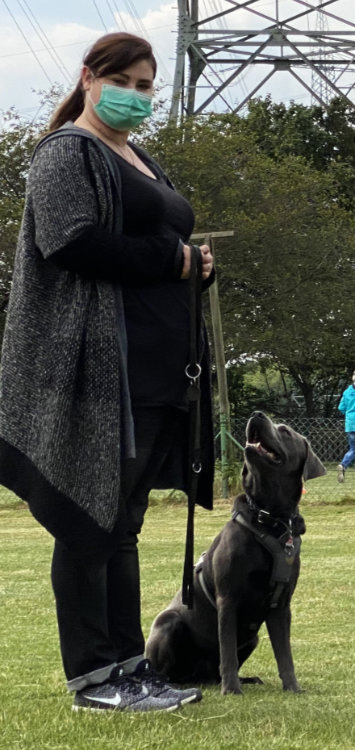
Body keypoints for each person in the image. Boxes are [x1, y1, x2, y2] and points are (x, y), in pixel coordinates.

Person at [0, 32, 215, 711]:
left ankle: (132, 671)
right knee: (88, 524)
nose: (137, 96)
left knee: (122, 524)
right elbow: (71, 241)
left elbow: (162, 245)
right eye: (125, 81)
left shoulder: (139, 156)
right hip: (97, 374)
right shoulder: (67, 151)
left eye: (148, 85)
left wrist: (196, 269)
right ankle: (94, 678)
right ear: (89, 78)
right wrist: (170, 261)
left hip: (155, 371)